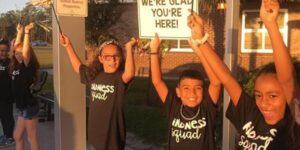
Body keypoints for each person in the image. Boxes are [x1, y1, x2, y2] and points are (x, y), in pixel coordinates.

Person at [188, 0, 300, 149]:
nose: (264, 103)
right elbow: (227, 79)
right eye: (258, 95)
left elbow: (287, 80)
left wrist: (271, 25)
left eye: (273, 96)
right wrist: (201, 39)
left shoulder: (292, 126)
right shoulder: (250, 113)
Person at [150, 20, 221, 149]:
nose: (192, 93)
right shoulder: (174, 106)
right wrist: (154, 50)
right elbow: (157, 81)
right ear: (178, 91)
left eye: (198, 88)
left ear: (203, 91)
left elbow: (216, 82)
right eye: (186, 88)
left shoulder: (207, 108)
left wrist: (199, 52)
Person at [59, 34, 136, 150]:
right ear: (100, 59)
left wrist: (129, 49)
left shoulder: (119, 78)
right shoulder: (94, 76)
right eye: (107, 57)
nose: (112, 60)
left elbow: (129, 73)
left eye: (116, 56)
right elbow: (78, 67)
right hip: (95, 134)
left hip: (112, 136)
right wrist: (68, 46)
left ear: (121, 58)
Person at [11, 23, 40, 150]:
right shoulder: (16, 65)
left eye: (20, 53)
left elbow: (25, 52)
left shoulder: (27, 65)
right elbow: (16, 49)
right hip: (21, 106)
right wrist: (19, 32)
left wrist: (27, 32)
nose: (18, 55)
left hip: (29, 106)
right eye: (16, 53)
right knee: (17, 136)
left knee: (31, 137)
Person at [0, 39, 15, 147]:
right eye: (1, 50)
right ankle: (5, 135)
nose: (3, 53)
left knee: (7, 117)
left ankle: (9, 137)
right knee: (2, 116)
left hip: (7, 96)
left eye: (5, 50)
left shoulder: (10, 63)